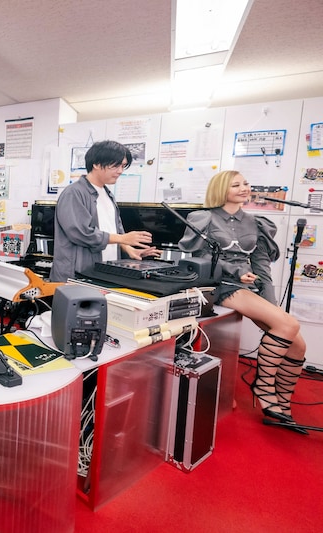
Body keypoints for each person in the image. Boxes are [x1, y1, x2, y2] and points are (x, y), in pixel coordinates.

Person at [179, 170, 309, 434]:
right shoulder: (204, 218)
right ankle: (264, 390)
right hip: (222, 285)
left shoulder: (256, 222)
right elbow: (202, 260)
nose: (244, 188)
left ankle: (281, 405)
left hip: (252, 286)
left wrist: (271, 304)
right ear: (221, 189)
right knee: (287, 326)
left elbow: (262, 265)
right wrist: (235, 272)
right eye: (235, 184)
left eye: (246, 183)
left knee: (297, 343)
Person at [49, 140, 159, 282]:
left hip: (104, 272)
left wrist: (129, 249)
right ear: (96, 164)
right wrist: (123, 238)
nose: (120, 171)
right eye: (116, 165)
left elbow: (115, 231)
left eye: (123, 166)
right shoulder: (74, 193)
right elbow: (82, 233)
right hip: (77, 276)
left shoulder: (107, 194)